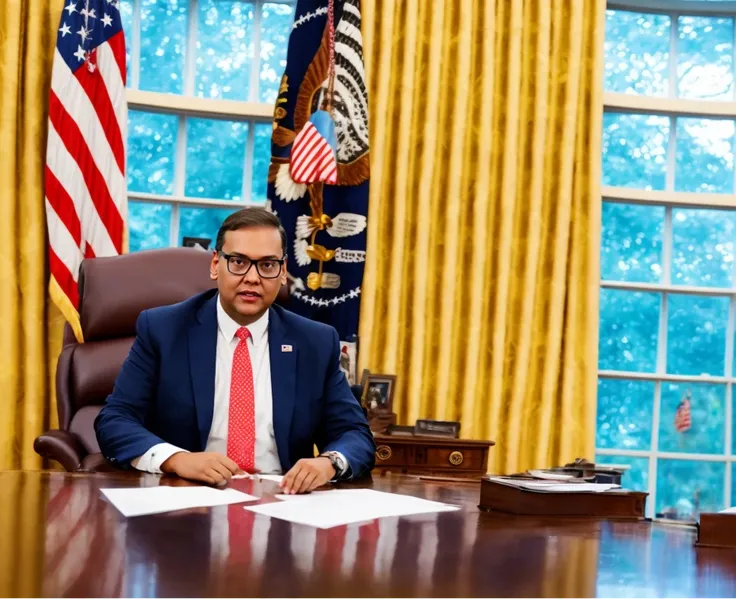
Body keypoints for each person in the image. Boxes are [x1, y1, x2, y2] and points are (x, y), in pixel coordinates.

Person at [95, 208, 375, 494]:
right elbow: (115, 420)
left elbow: (354, 434)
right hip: (187, 500)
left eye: (267, 265)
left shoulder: (314, 341)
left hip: (282, 505)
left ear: (282, 272)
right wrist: (177, 459)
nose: (253, 278)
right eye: (239, 262)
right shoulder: (164, 330)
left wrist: (329, 463)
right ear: (216, 264)